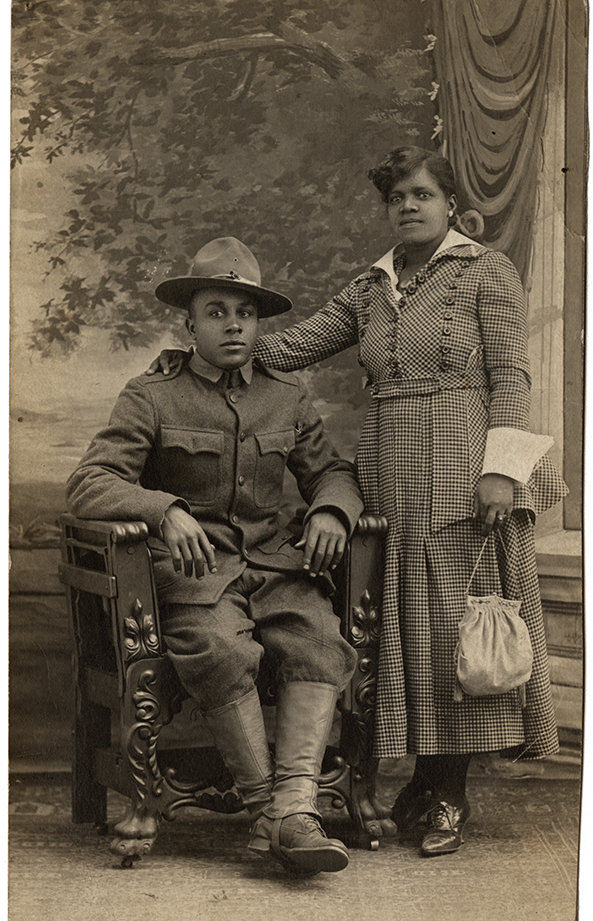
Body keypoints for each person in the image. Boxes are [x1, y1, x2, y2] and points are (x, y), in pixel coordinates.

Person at [149, 147, 568, 857]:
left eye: (421, 194)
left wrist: (502, 470)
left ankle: (448, 794)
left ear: (451, 207)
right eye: (396, 197)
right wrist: (196, 357)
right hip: (385, 469)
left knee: (449, 626)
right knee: (398, 628)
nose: (407, 206)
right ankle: (405, 783)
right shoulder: (373, 286)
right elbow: (292, 346)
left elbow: (513, 376)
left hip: (460, 462)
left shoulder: (484, 271)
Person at [66, 236, 365, 876]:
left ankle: (287, 812)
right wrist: (163, 509)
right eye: (217, 311)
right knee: (223, 650)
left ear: (259, 322)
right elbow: (90, 482)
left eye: (246, 312)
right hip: (196, 580)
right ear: (190, 322)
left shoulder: (286, 394)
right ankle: (279, 813)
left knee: (319, 641)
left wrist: (331, 511)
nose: (233, 325)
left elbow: (331, 471)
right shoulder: (152, 394)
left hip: (278, 570)